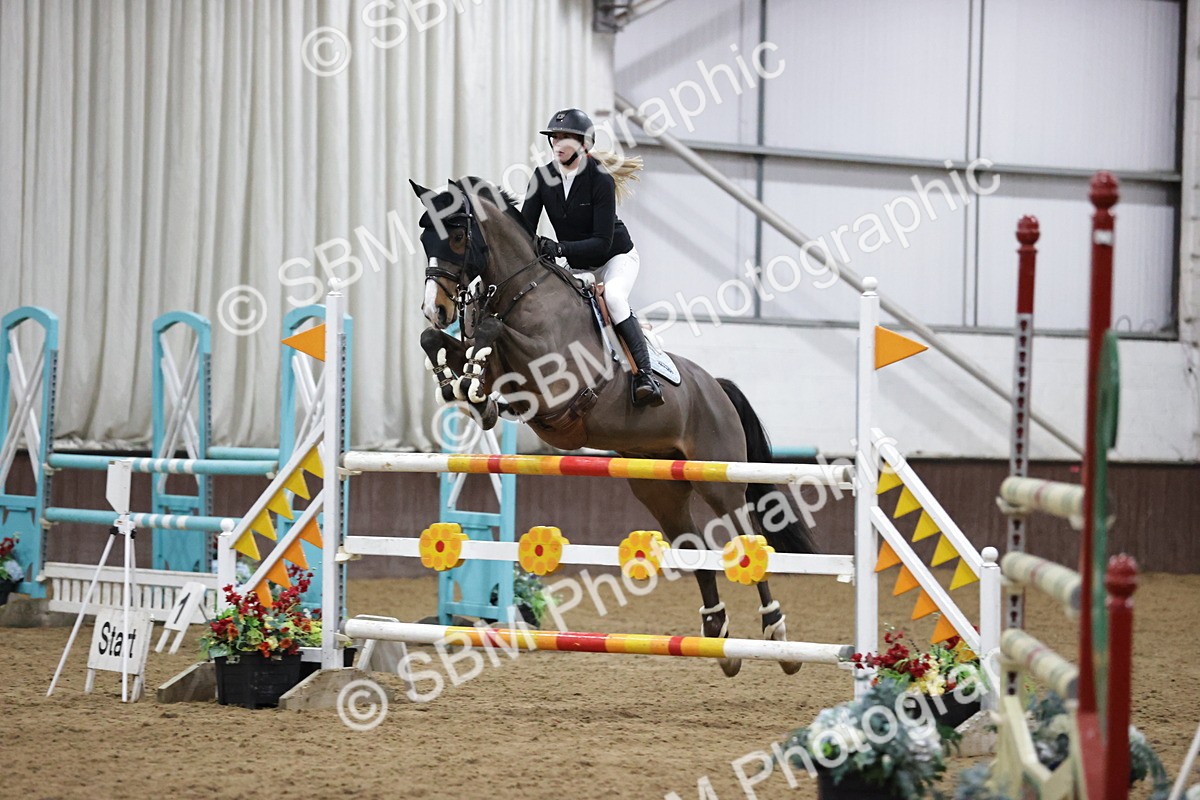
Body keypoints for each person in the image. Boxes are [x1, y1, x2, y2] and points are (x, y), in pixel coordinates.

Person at [521, 108, 663, 408]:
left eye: (566, 138)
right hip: (578, 264)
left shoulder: (600, 179)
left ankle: (645, 376)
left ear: (584, 144)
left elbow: (601, 243)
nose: (558, 143)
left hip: (615, 258)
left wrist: (559, 250)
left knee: (612, 297)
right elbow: (525, 230)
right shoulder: (542, 177)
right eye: (555, 137)